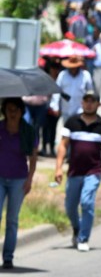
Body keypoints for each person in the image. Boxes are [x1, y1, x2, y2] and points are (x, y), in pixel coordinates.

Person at [54, 91, 101, 252]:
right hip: (74, 171)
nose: (89, 104)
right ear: (82, 103)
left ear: (98, 104)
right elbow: (63, 146)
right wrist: (58, 168)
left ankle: (83, 238)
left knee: (87, 202)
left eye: (92, 101)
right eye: (86, 100)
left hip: (93, 171)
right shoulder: (72, 122)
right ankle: (77, 227)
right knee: (70, 206)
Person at [0, 98, 37, 269]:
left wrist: (29, 179)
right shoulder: (0, 128)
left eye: (15, 110)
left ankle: (8, 257)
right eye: (9, 110)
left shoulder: (28, 131)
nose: (12, 113)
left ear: (21, 111)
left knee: (12, 219)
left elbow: (33, 158)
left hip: (18, 179)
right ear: (4, 111)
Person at [50, 56, 94, 122]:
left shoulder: (85, 75)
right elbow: (57, 91)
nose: (72, 69)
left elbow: (90, 92)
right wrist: (55, 106)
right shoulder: (62, 75)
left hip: (80, 109)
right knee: (66, 130)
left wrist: (90, 107)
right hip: (65, 109)